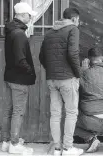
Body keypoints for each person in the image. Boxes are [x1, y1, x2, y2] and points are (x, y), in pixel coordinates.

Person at [39, 8, 83, 156]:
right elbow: (73, 53)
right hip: (67, 78)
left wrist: (50, 70)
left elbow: (41, 56)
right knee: (71, 112)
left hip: (52, 79)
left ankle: (57, 148)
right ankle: (69, 148)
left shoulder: (50, 32)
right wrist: (78, 74)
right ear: (75, 19)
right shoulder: (73, 30)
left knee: (55, 114)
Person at [0, 2, 37, 154]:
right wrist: (30, 72)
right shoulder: (19, 34)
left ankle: (7, 141)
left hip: (10, 76)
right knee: (18, 112)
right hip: (19, 78)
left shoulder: (11, 31)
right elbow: (21, 59)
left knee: (10, 110)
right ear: (22, 15)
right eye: (29, 15)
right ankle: (14, 144)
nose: (30, 18)